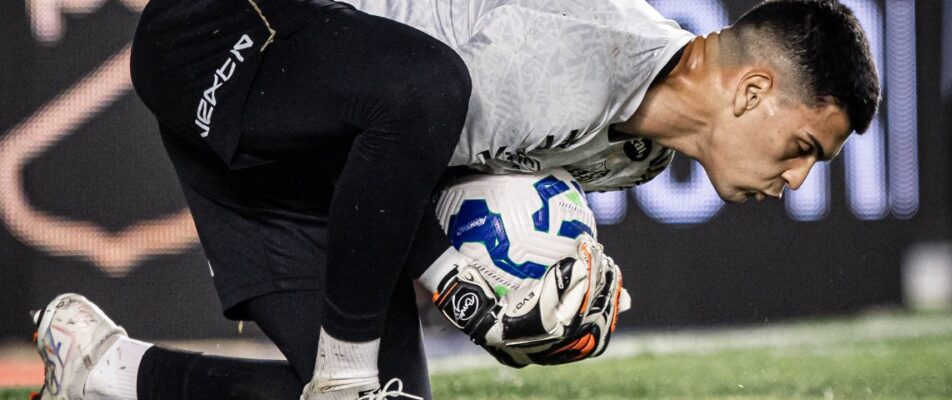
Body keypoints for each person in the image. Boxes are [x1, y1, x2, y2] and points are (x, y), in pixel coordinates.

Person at [30, 0, 879, 399]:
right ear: (751, 88)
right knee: (428, 91)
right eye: (803, 147)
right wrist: (461, 278)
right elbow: (404, 122)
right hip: (227, 32)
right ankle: (345, 374)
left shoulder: (641, 160)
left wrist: (526, 306)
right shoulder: (573, 47)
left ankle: (108, 372)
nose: (798, 179)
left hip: (304, 137)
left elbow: (404, 182)